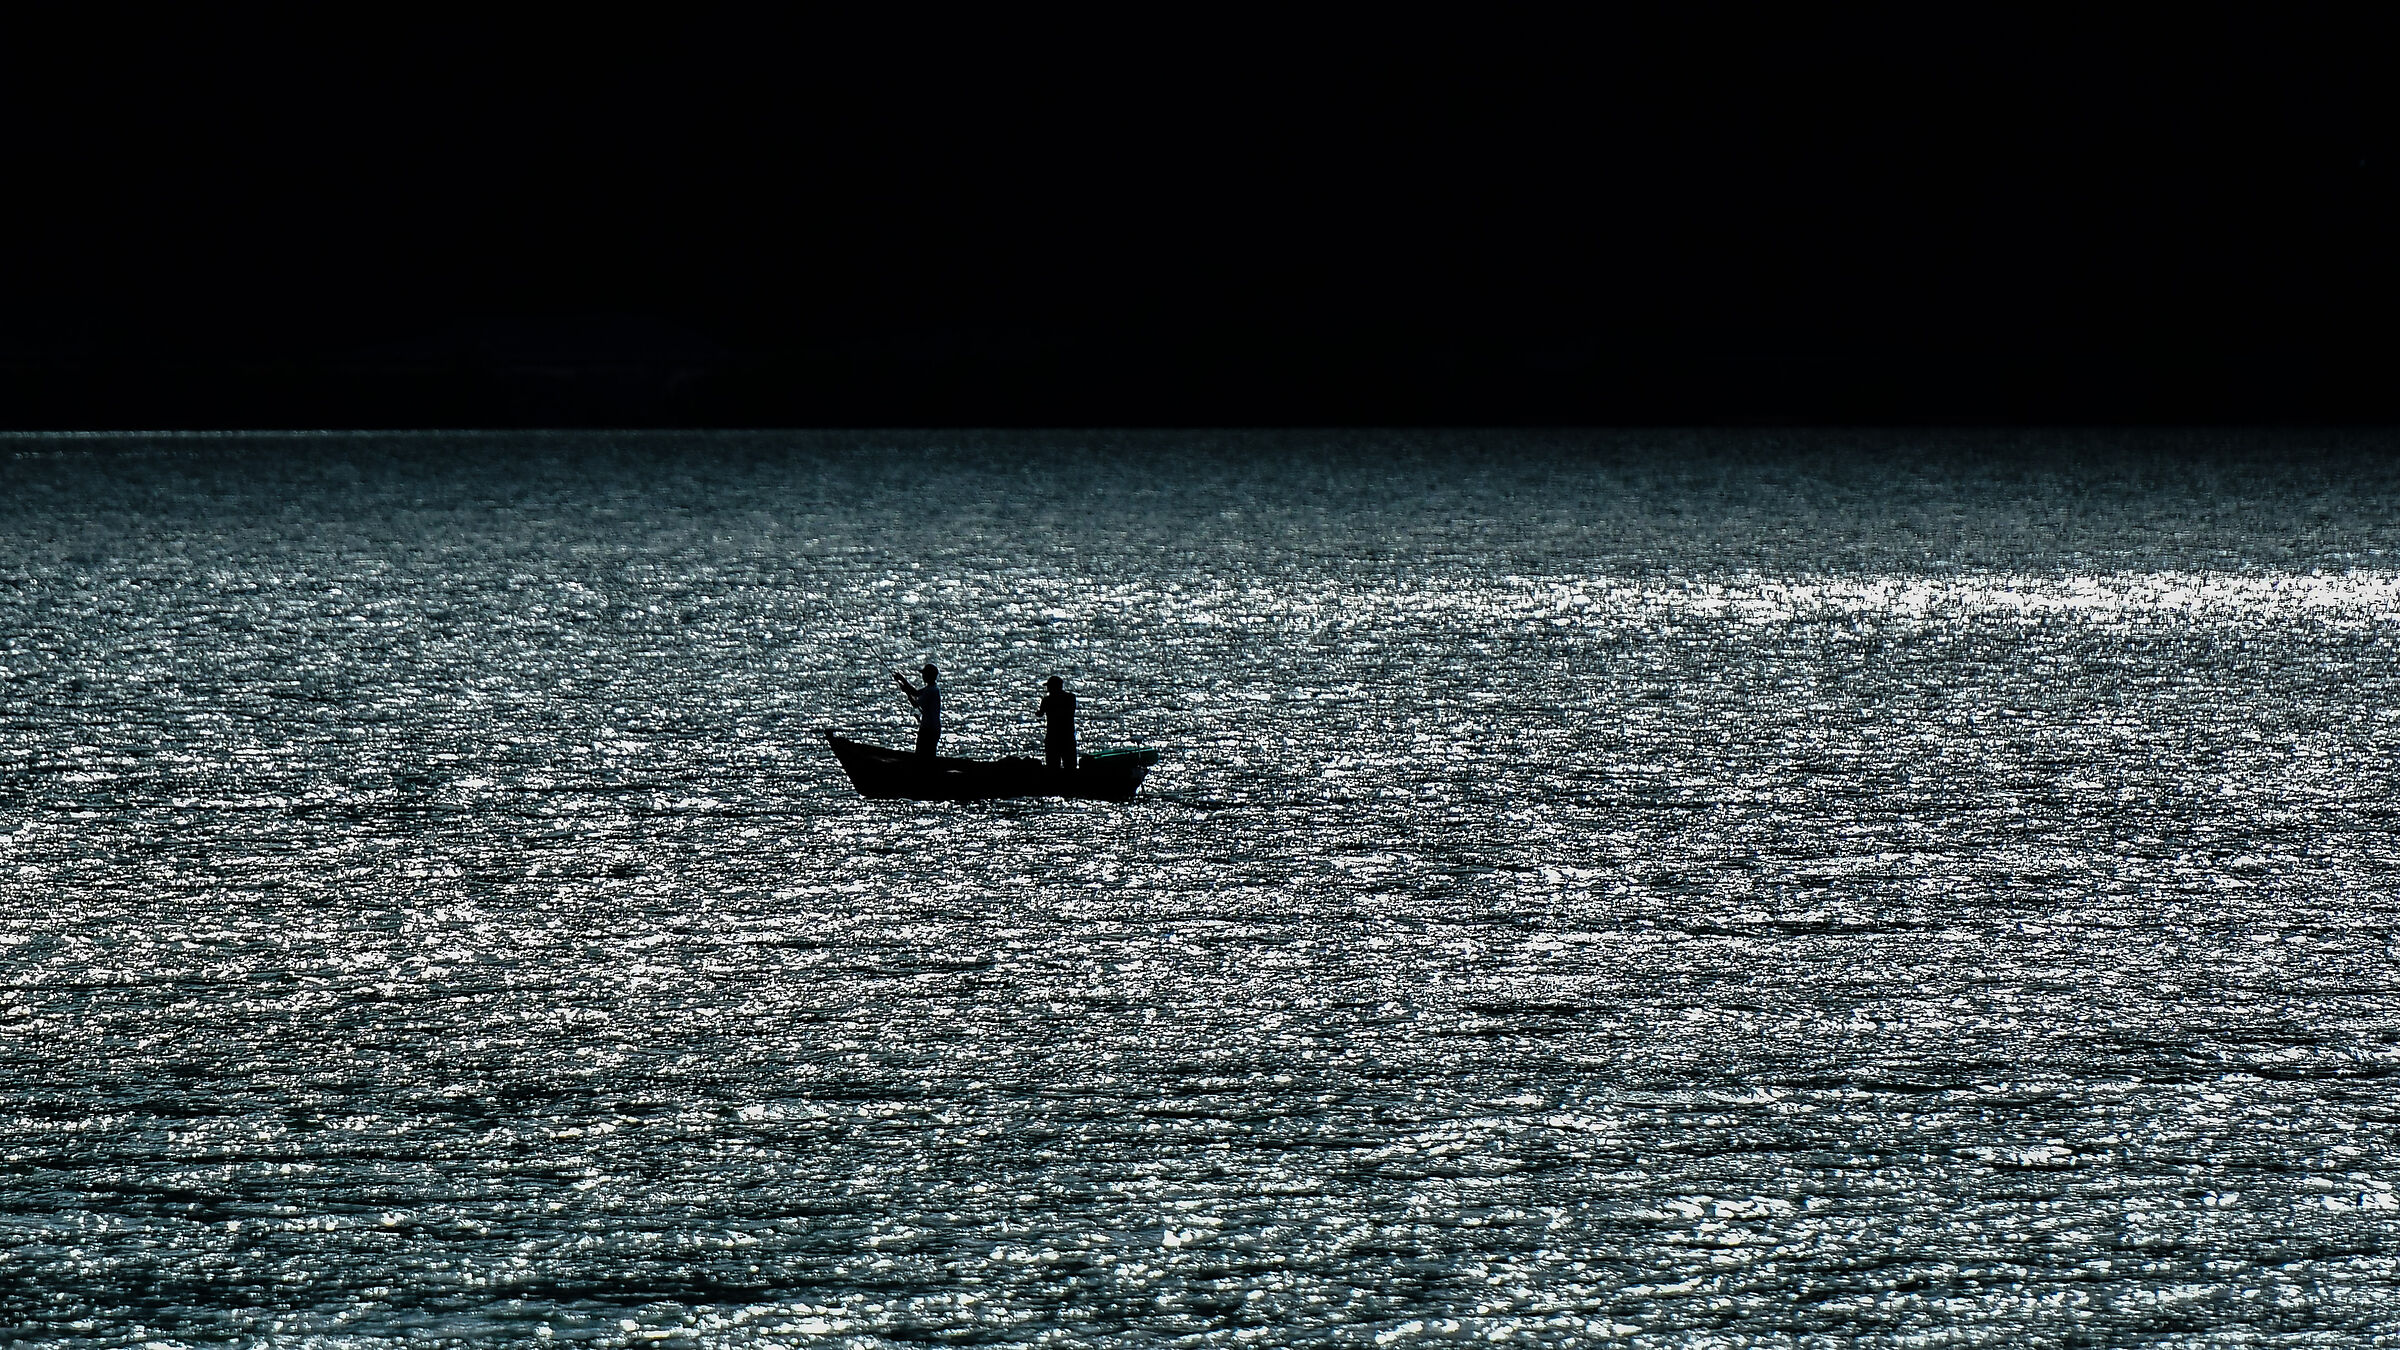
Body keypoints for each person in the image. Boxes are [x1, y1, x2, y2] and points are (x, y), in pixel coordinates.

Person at [893, 664, 941, 757]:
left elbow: (915, 704)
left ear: (928, 675)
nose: (922, 676)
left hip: (928, 729)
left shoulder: (930, 691)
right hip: (934, 727)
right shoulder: (934, 688)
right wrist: (902, 680)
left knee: (922, 755)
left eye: (924, 674)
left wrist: (907, 692)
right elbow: (915, 692)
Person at [1038, 675, 1077, 771]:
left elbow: (1040, 713)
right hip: (1068, 736)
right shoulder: (1071, 698)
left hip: (1053, 737)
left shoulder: (1047, 700)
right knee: (1070, 765)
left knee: (1052, 766)